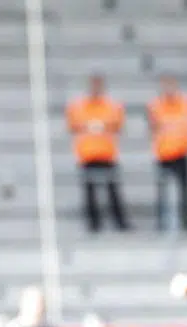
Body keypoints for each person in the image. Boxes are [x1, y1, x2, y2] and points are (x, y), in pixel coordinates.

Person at [66, 73, 129, 233]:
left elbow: (119, 125)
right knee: (90, 191)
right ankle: (94, 224)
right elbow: (72, 126)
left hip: (107, 152)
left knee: (112, 189)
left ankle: (119, 221)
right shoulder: (79, 106)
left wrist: (100, 127)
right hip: (87, 153)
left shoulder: (111, 106)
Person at [147, 75, 187, 232]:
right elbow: (151, 127)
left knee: (185, 189)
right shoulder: (156, 105)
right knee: (162, 190)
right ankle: (162, 221)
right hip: (163, 152)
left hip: (182, 151)